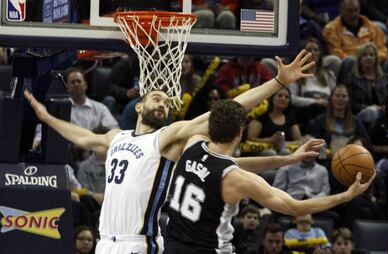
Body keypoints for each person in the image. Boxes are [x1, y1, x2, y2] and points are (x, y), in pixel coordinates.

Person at [25, 50, 316, 254]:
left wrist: (278, 82)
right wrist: (48, 118)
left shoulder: (166, 139)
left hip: (140, 243)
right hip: (106, 243)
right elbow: (84, 137)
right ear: (139, 106)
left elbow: (232, 108)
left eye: (166, 102)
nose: (163, 104)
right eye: (156, 98)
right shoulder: (116, 136)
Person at [163, 99, 375, 254]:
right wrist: (347, 195)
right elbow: (296, 208)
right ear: (240, 133)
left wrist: (288, 159)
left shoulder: (193, 144)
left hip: (172, 245)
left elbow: (229, 163)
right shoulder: (236, 179)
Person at [323, 0, 388, 86]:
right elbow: (335, 51)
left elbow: (383, 50)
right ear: (341, 11)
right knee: (350, 61)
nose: (354, 14)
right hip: (351, 65)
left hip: (374, 65)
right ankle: (348, 94)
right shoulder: (331, 29)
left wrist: (372, 60)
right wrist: (360, 61)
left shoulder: (373, 27)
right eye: (350, 11)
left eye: (356, 10)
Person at [344, 43, 388, 127]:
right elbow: (350, 104)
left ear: (376, 59)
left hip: (385, 113)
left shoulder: (387, 78)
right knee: (371, 112)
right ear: (360, 59)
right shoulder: (351, 79)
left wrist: (385, 107)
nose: (368, 57)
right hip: (360, 117)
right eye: (365, 55)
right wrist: (370, 107)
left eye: (371, 55)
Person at [247, 87, 301, 156]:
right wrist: (270, 140)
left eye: (287, 97)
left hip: (284, 149)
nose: (283, 99)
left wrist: (282, 142)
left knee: (286, 152)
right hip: (263, 149)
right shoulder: (262, 115)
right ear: (272, 98)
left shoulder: (290, 117)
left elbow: (298, 141)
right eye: (280, 95)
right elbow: (251, 138)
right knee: (271, 153)